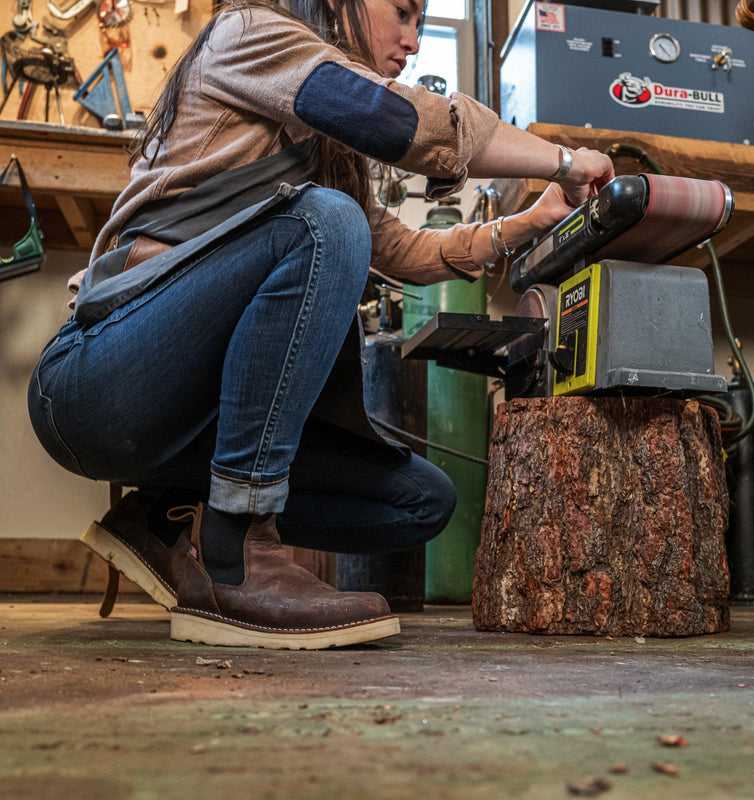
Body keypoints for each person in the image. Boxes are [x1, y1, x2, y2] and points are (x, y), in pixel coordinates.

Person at [27, 0, 614, 650]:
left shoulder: (324, 145)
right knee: (327, 220)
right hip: (99, 383)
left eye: (423, 23)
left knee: (421, 501)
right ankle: (236, 549)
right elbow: (394, 119)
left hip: (191, 426)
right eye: (402, 13)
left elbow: (403, 250)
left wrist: (527, 222)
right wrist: (562, 160)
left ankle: (164, 518)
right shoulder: (249, 32)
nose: (412, 40)